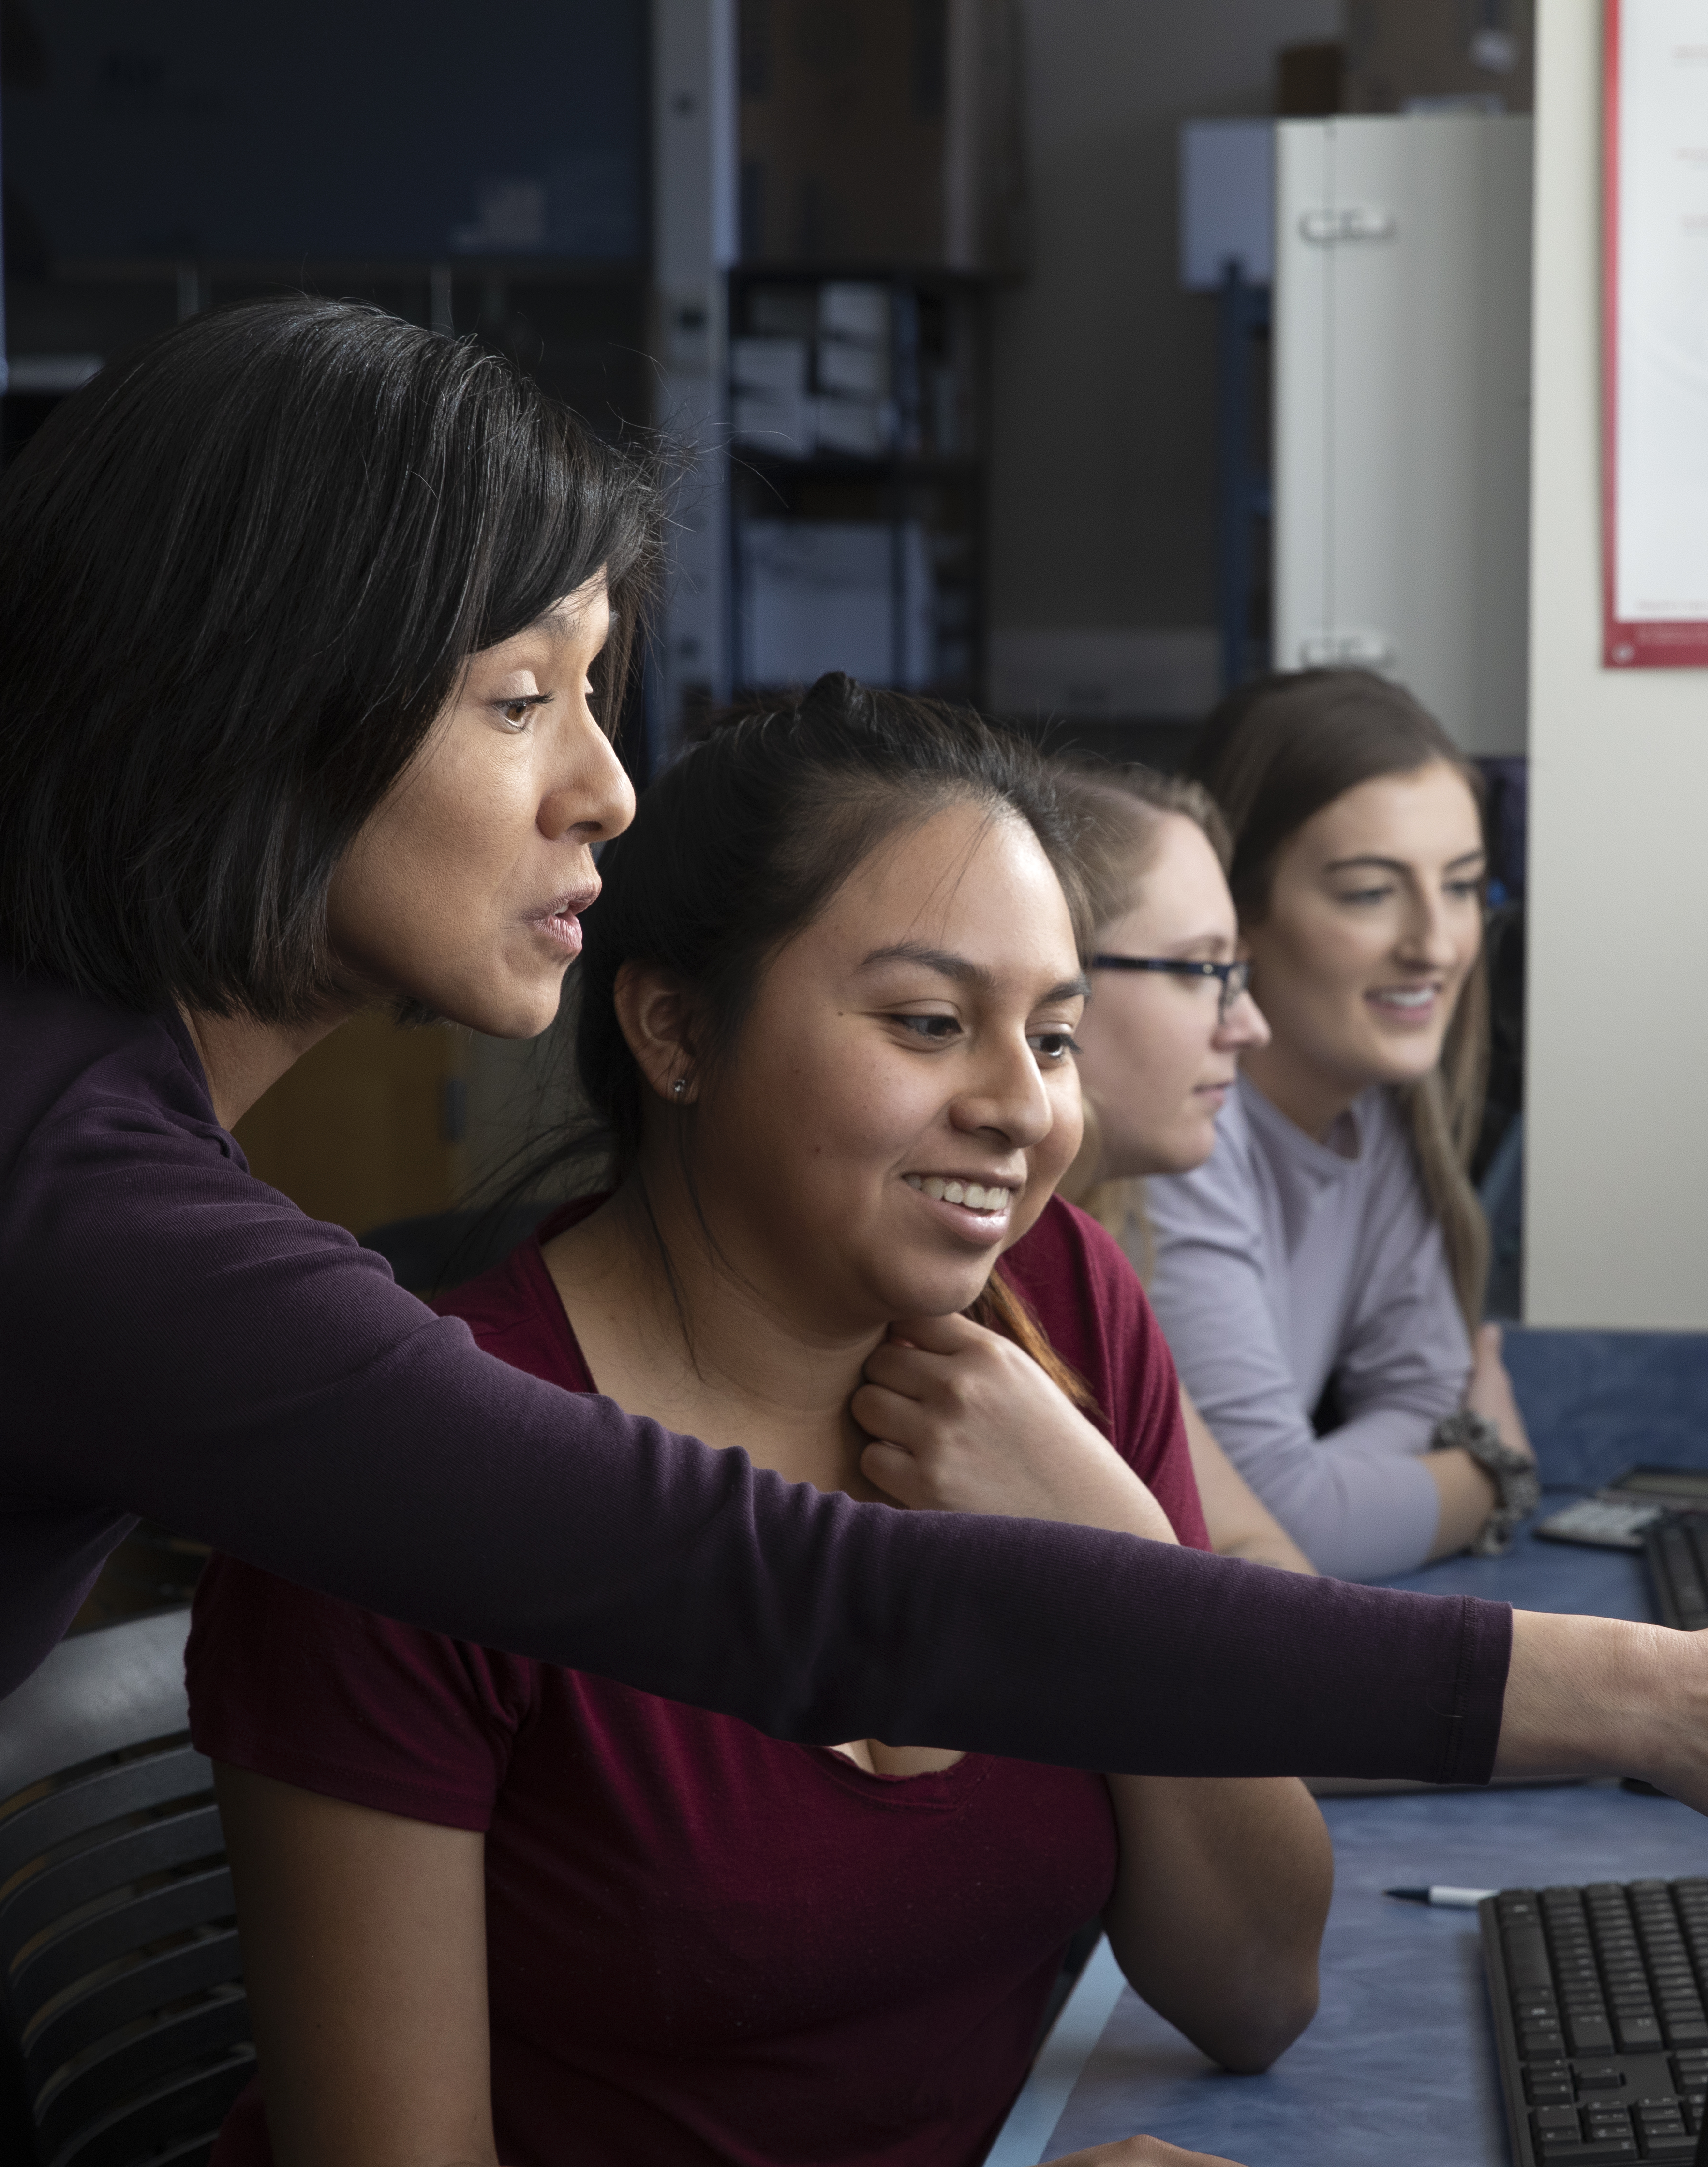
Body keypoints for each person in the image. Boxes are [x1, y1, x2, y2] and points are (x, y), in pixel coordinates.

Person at [0, 298, 1708, 2106]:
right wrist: (1628, 1699)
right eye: (521, 695)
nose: (607, 785)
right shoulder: (45, 1181)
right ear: (246, 709)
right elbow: (784, 1595)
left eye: (595, 695)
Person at [189, 688, 1330, 2167]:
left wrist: (1112, 1551)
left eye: (1051, 1040)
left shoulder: (1058, 1313)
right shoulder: (409, 1474)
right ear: (674, 1027)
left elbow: (1255, 1987)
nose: (1018, 1108)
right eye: (930, 1024)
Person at [1148, 671, 1538, 1580]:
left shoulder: (1374, 1114)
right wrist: (1486, 1474)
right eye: (1370, 893)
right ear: (1234, 919)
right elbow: (1284, 1531)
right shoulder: (1174, 1147)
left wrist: (1333, 1486)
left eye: (1463, 887)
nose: (1436, 945)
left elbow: (1427, 1395)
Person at [1055, 762, 1314, 1573]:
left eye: (1236, 973)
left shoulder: (1097, 1259)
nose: (1250, 1026)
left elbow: (1265, 1556)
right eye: (1202, 970)